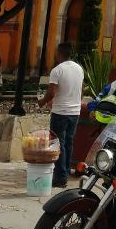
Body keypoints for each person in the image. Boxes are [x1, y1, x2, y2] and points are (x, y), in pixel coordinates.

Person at [37, 43, 84, 188]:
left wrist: (42, 102)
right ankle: (65, 171)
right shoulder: (79, 69)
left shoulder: (57, 70)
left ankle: (60, 177)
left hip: (60, 112)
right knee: (68, 143)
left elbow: (51, 92)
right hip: (74, 112)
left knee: (58, 144)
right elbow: (81, 91)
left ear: (59, 53)